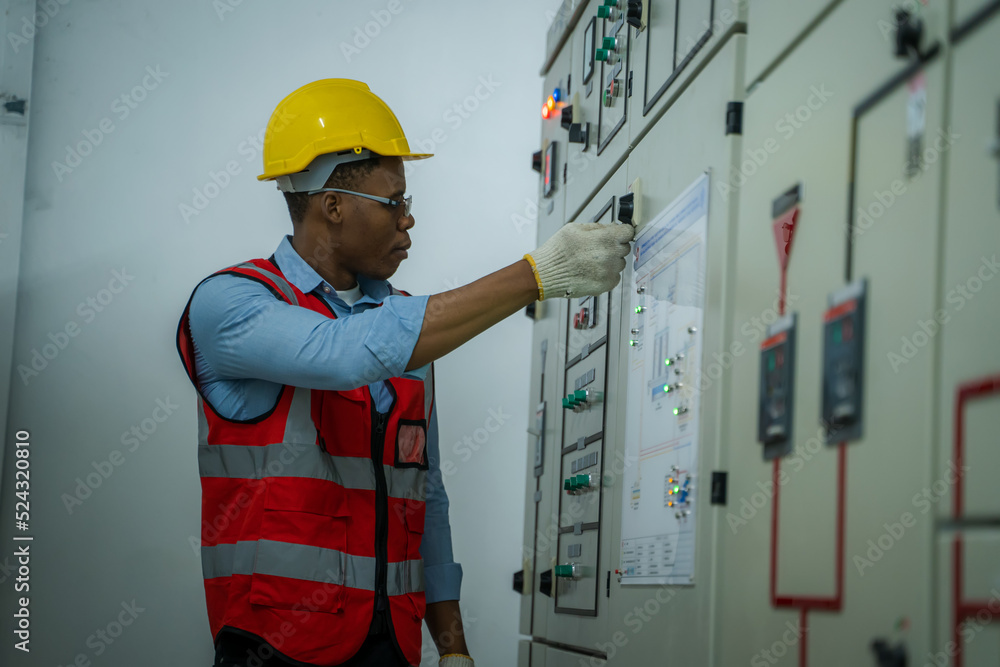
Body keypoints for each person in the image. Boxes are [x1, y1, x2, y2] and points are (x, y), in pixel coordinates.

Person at [175, 79, 634, 667]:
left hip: (393, 644)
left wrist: (453, 649)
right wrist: (536, 275)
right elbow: (340, 353)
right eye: (395, 202)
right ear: (333, 206)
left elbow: (427, 497)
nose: (409, 221)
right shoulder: (231, 304)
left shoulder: (407, 330)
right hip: (275, 646)